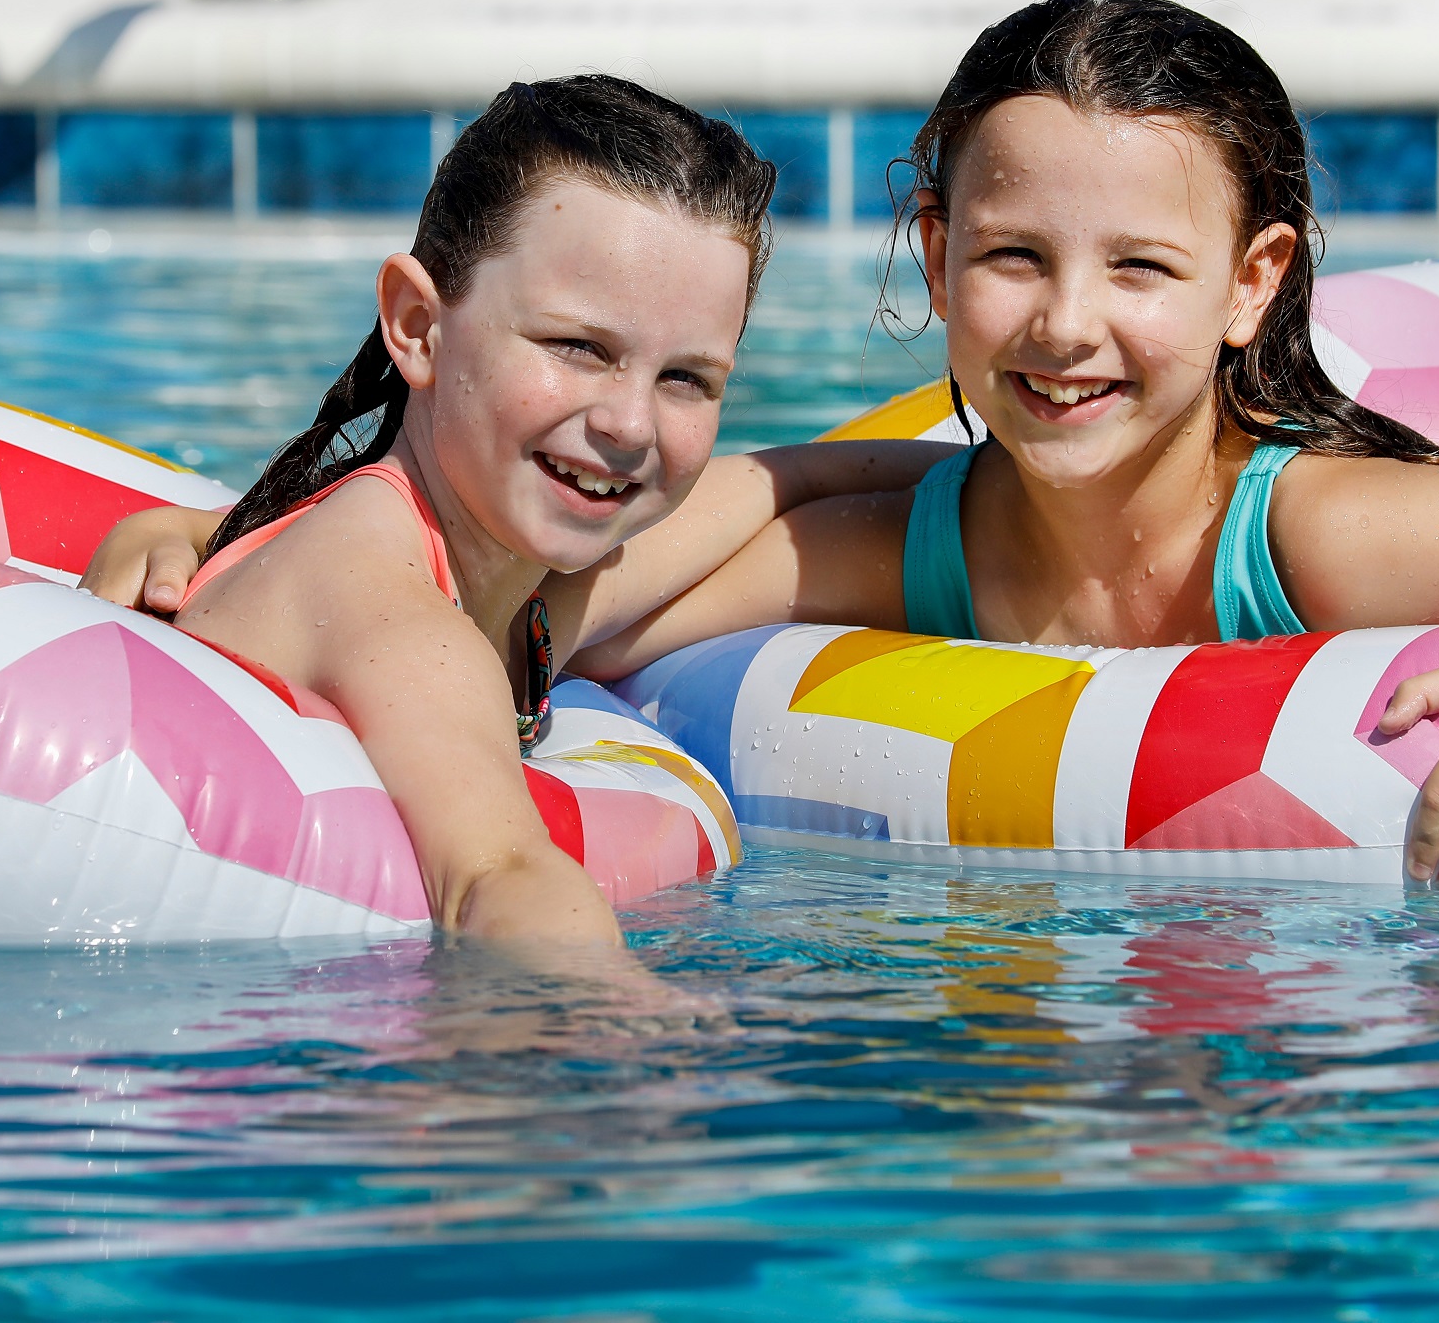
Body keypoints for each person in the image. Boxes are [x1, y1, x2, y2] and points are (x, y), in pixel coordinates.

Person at [104, 0, 1439, 896]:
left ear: (1253, 284)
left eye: (1141, 271)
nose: (1064, 326)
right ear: (936, 251)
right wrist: (266, 535)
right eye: (1013, 257)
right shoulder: (925, 543)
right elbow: (560, 596)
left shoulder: (1316, 530)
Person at [99, 76, 931, 957]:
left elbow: (783, 478)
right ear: (418, 326)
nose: (630, 425)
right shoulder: (400, 612)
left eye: (686, 378)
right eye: (578, 347)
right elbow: (497, 879)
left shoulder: (520, 590)